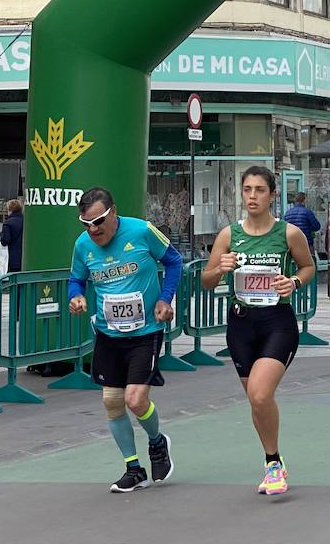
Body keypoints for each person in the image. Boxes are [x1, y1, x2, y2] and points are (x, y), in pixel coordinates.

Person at [202, 166, 317, 497]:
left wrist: (292, 281)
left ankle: (272, 465)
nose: (252, 196)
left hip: (276, 323)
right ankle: (274, 459)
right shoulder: (228, 235)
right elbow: (207, 280)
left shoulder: (289, 233)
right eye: (247, 189)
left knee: (261, 393)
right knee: (255, 400)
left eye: (259, 190)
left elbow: (307, 266)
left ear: (271, 195)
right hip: (240, 325)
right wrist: (219, 268)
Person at [68, 187, 183, 493]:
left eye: (99, 221)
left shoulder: (143, 232)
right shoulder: (83, 246)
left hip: (145, 332)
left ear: (114, 213)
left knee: (135, 399)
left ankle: (157, 443)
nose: (93, 229)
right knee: (112, 401)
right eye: (86, 223)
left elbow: (174, 262)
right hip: (108, 333)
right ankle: (133, 469)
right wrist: (76, 296)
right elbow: (76, 278)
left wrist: (164, 299)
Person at [0, 198, 24, 273]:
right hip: (25, 258)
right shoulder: (27, 221)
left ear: (10, 210)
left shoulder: (8, 223)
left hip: (12, 258)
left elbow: (5, 241)